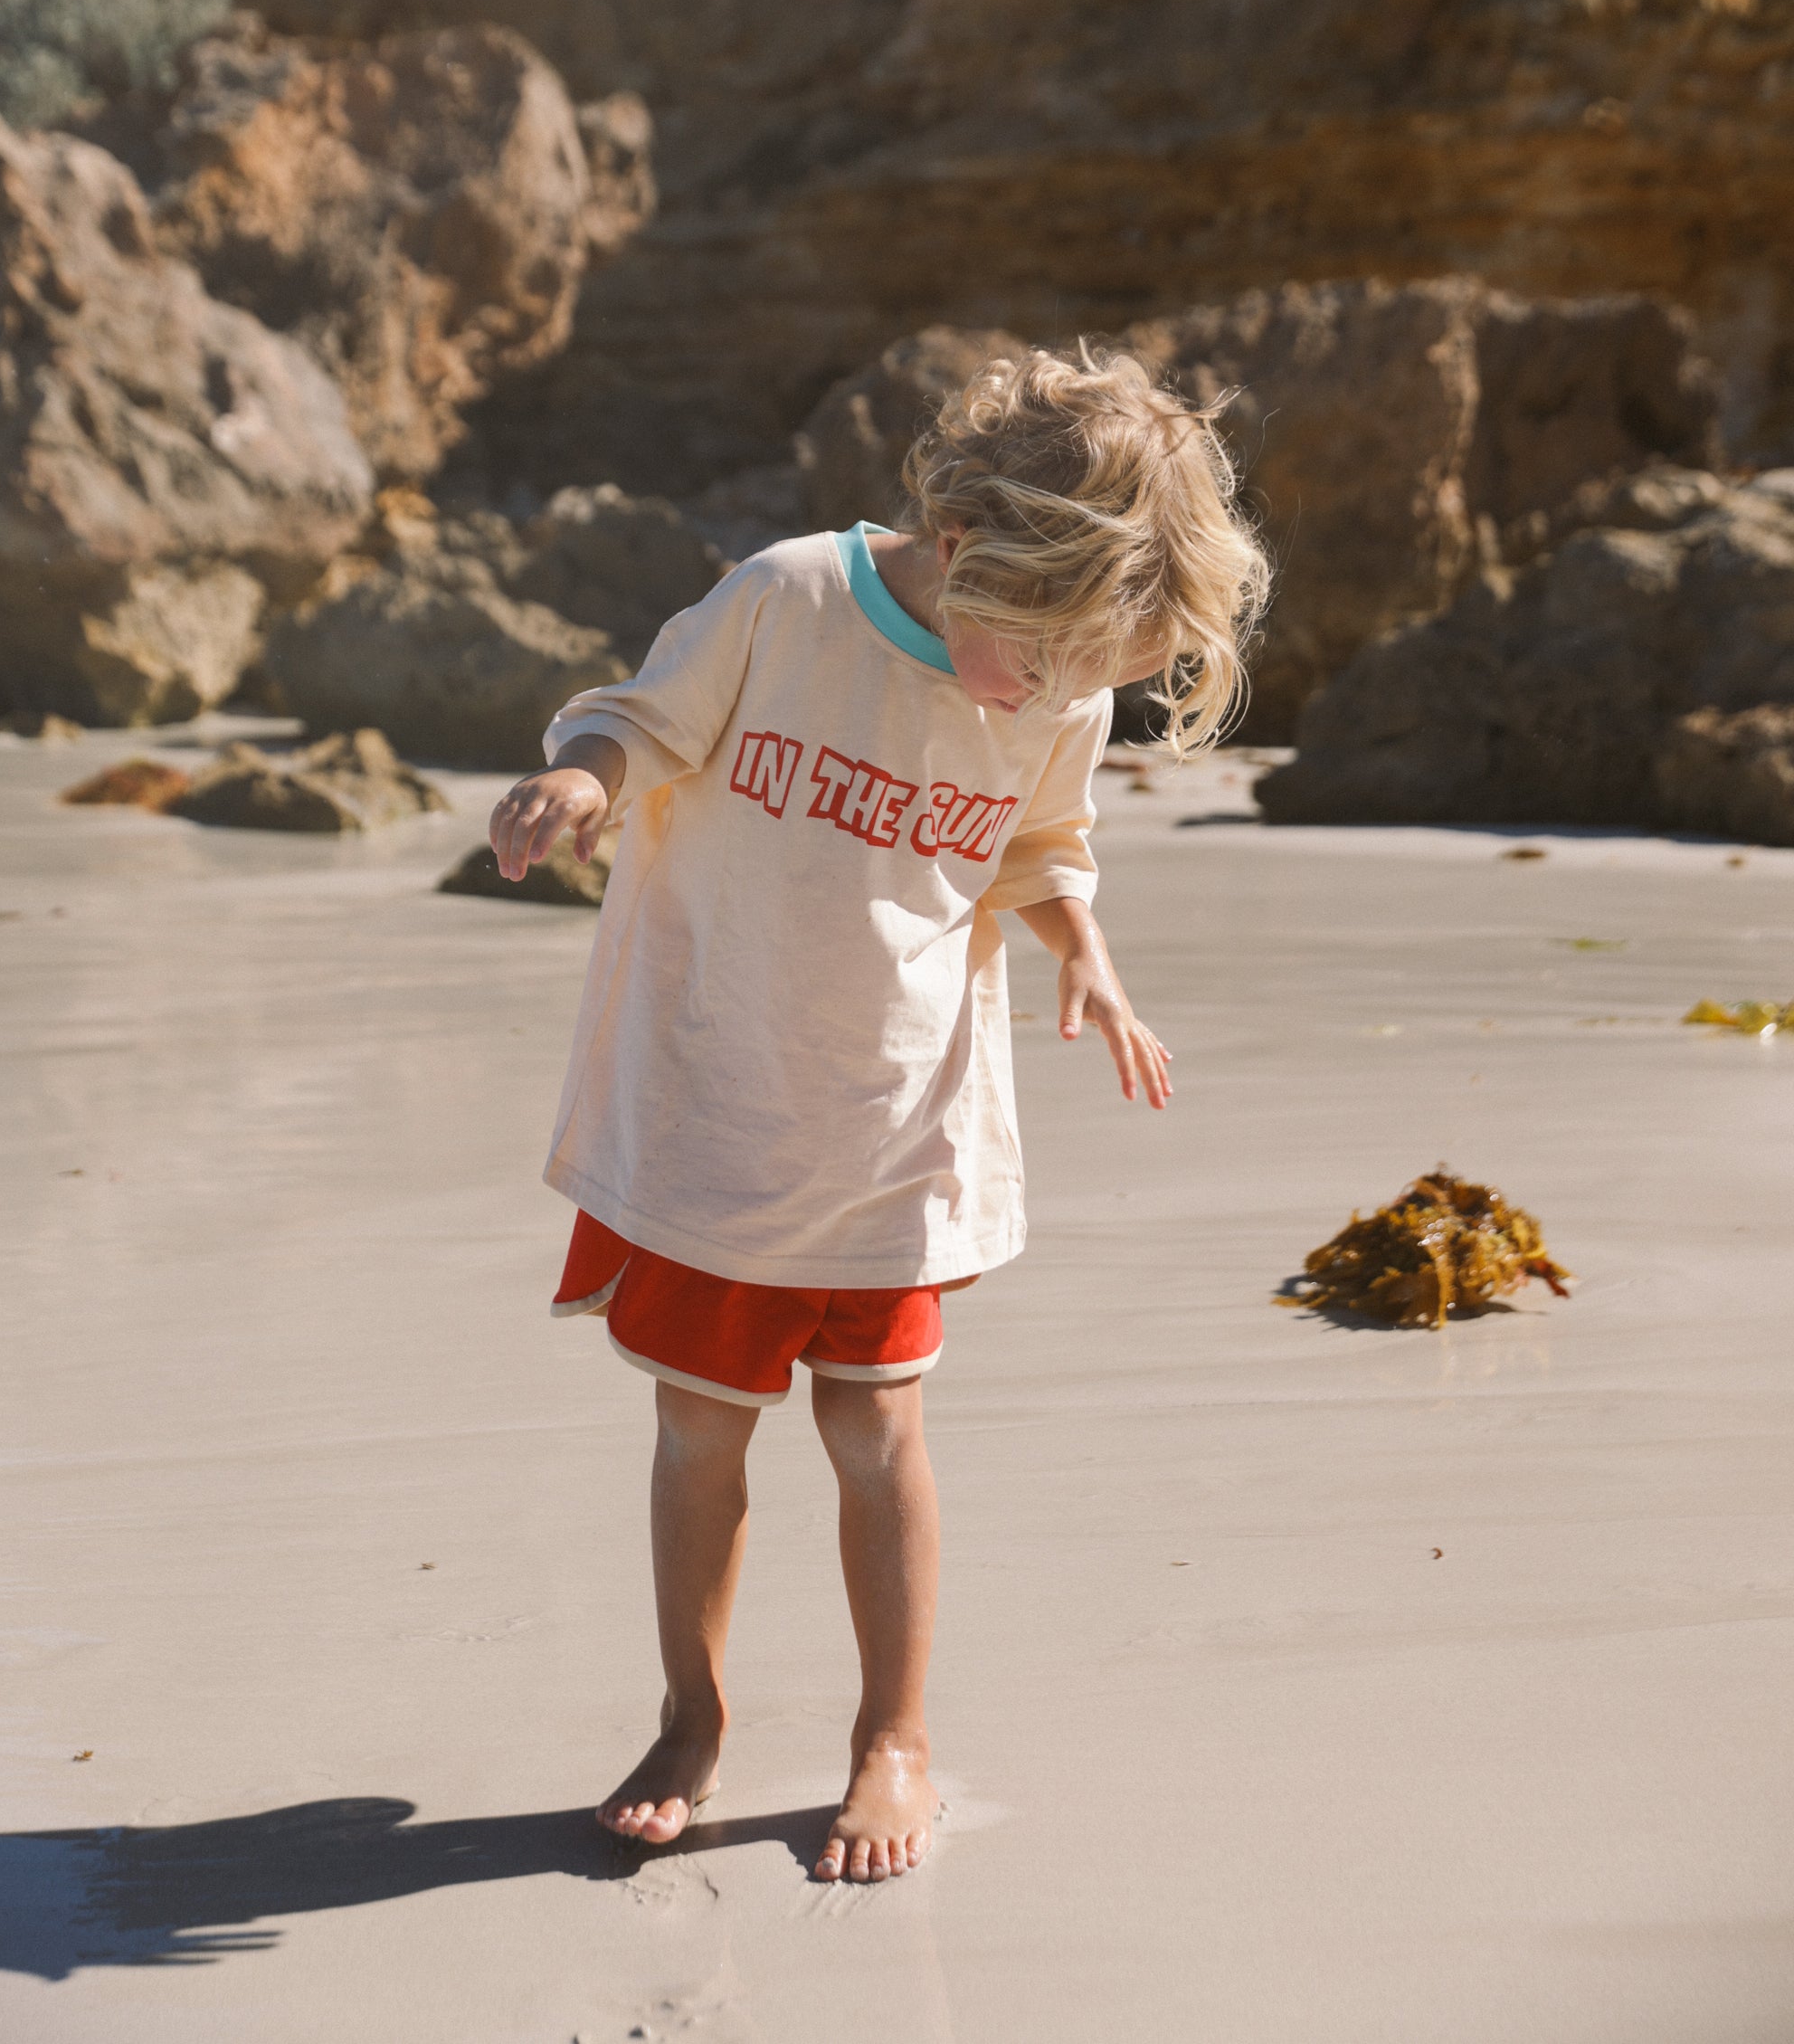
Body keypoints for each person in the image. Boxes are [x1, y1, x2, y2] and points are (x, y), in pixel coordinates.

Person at [489, 346, 1267, 1884]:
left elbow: (1045, 836)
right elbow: (633, 719)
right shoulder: (789, 601)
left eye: (1079, 686)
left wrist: (1090, 957)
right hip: (721, 1108)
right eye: (1033, 665)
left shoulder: (1062, 684)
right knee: (701, 1437)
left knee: (877, 1426)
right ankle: (692, 1716)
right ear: (969, 546)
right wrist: (581, 784)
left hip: (899, 1121)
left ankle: (890, 1736)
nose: (1047, 699)